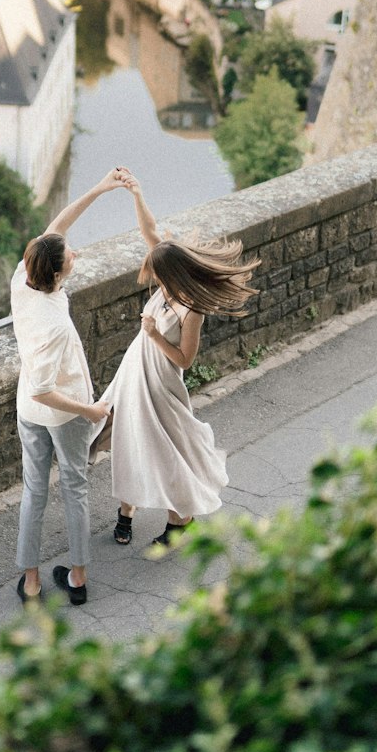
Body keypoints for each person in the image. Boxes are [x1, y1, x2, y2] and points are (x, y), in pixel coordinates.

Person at [104, 173, 259, 550]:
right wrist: (137, 193)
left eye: (157, 274)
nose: (152, 278)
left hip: (162, 384)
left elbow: (185, 360)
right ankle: (127, 510)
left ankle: (180, 520)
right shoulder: (166, 278)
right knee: (126, 440)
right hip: (133, 374)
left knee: (165, 451)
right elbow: (150, 231)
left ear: (171, 273)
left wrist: (156, 335)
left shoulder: (191, 308)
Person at [11, 169, 127, 606]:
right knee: (74, 488)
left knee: (34, 492)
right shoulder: (55, 324)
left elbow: (56, 228)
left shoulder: (23, 278)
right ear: (58, 273)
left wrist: (98, 189)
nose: (75, 253)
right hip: (63, 410)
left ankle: (32, 582)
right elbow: (44, 389)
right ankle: (77, 579)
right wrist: (90, 411)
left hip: (29, 412)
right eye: (71, 257)